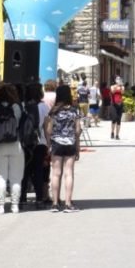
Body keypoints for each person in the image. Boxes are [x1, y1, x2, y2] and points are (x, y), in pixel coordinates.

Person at [0, 83, 25, 214]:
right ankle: (15, 205)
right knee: (16, 177)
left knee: (0, 177)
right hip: (15, 145)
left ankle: (0, 206)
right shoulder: (17, 108)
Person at [45, 83, 82, 212]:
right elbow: (77, 130)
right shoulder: (75, 110)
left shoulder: (53, 111)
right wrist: (78, 146)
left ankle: (55, 203)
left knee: (56, 174)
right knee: (69, 173)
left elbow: (49, 130)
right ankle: (68, 203)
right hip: (70, 143)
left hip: (56, 143)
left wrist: (49, 144)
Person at [21, 80, 53, 209]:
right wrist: (48, 144)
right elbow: (47, 128)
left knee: (24, 170)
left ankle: (22, 198)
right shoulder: (44, 107)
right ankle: (39, 198)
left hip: (24, 143)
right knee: (38, 171)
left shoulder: (22, 106)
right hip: (40, 142)